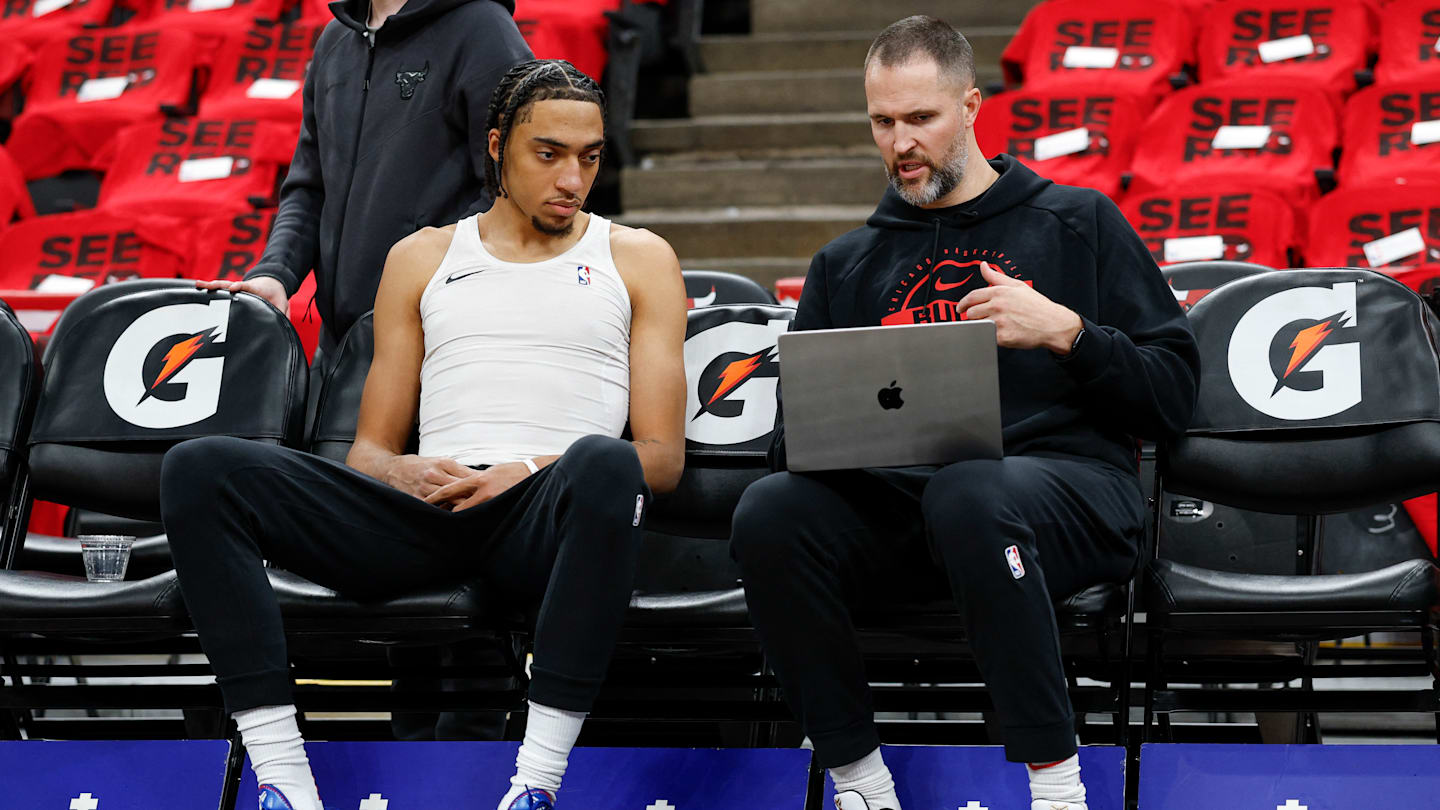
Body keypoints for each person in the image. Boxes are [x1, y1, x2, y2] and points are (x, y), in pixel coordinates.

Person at [160, 60, 687, 810]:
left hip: (546, 515)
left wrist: (527, 471)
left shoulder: (638, 257)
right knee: (200, 469)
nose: (572, 177)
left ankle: (534, 786)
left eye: (590, 156)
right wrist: (399, 472)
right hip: (429, 511)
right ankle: (284, 779)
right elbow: (368, 450)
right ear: (498, 147)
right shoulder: (422, 258)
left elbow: (660, 460)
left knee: (606, 463)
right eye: (549, 154)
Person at [729, 17, 1200, 810]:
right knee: (769, 511)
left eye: (922, 119)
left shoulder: (1078, 223)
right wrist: (840, 433)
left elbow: (1173, 395)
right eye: (884, 122)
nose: (901, 142)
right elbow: (788, 442)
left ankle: (1056, 787)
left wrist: (1069, 334)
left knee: (971, 489)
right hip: (911, 510)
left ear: (973, 106)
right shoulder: (845, 265)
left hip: (1071, 495)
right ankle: (860, 782)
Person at [198, 0, 533, 358]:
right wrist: (276, 272)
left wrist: (425, 281)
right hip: (338, 347)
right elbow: (310, 187)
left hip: (436, 338)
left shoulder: (483, 27)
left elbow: (514, 188)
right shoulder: (335, 39)